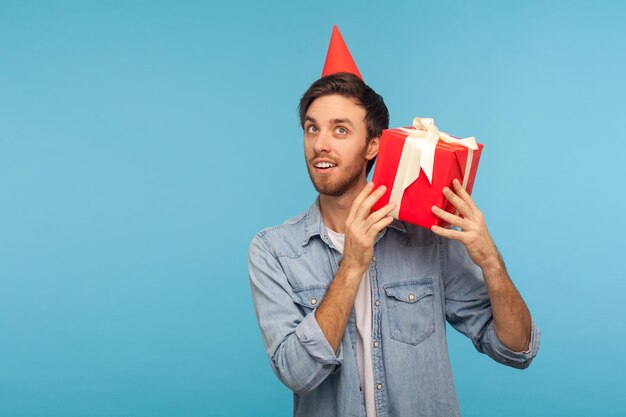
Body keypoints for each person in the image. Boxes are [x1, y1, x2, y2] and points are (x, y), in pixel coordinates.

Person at [248, 26, 540, 417]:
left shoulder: (427, 239)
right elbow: (296, 372)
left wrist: (490, 261)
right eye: (312, 128)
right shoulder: (273, 251)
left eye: (340, 129)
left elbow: (516, 350)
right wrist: (351, 265)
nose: (320, 143)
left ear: (373, 146)